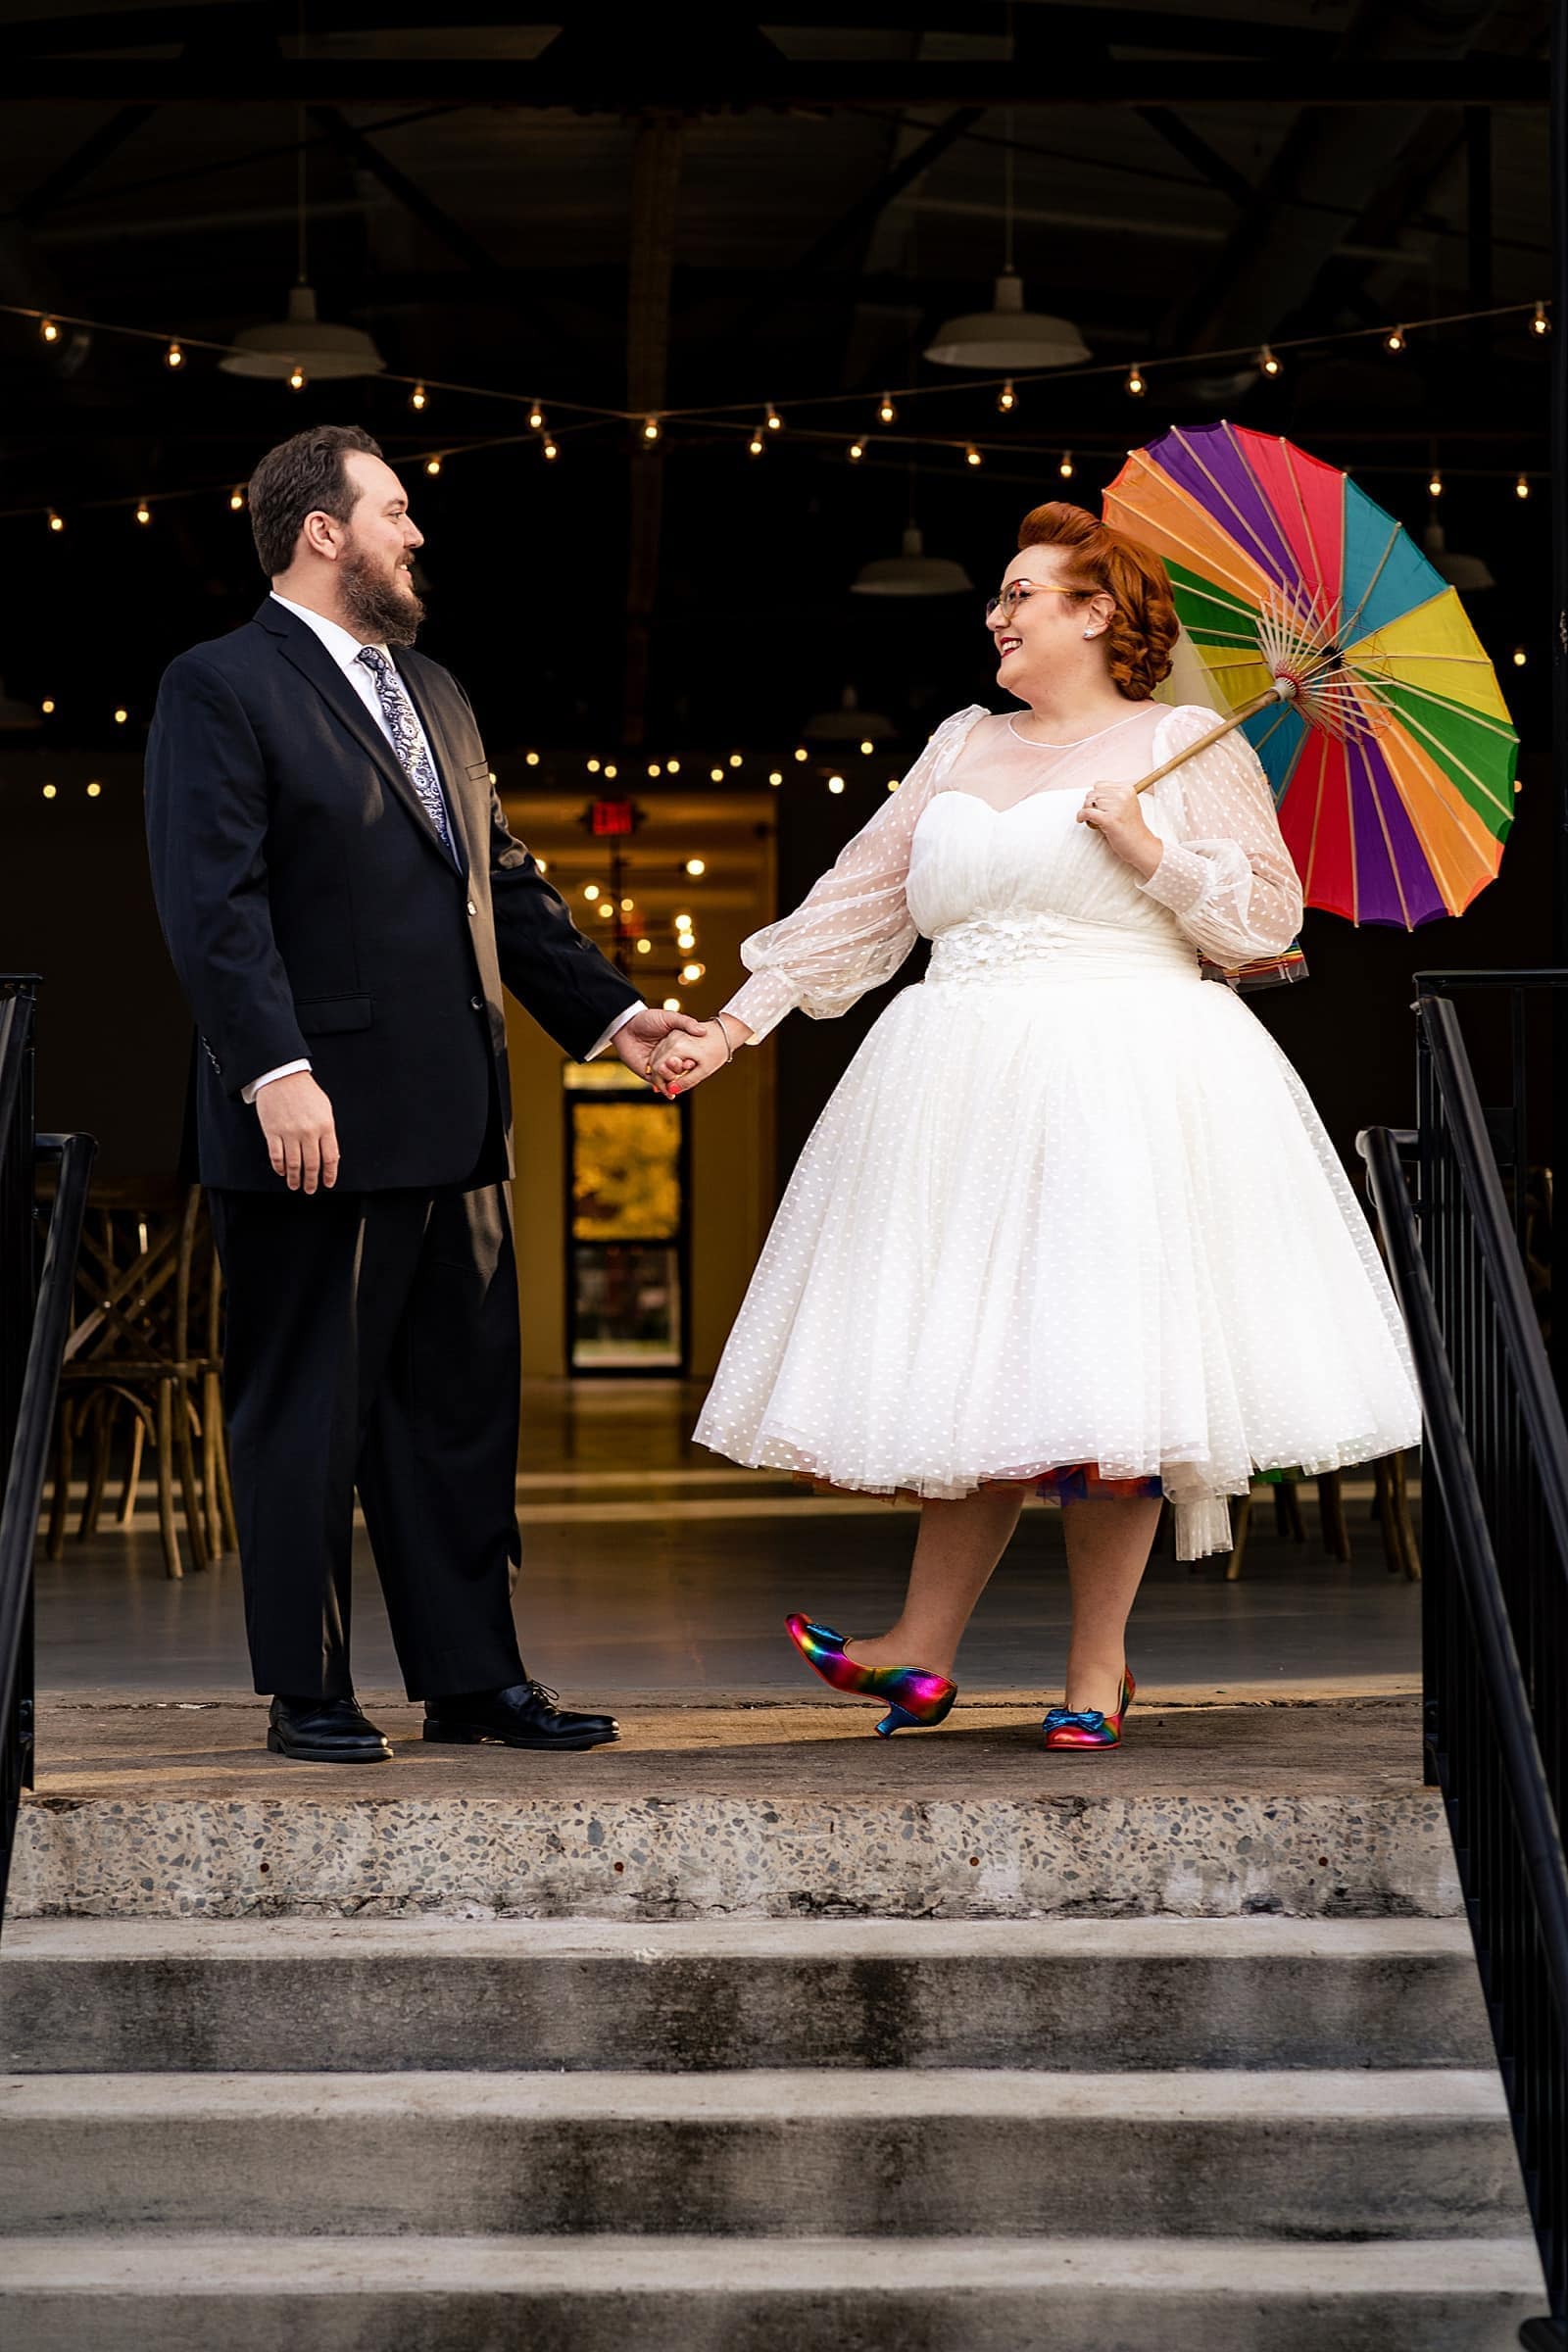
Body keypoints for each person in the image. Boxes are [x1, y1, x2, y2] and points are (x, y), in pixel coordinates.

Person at [652, 503, 1420, 1750]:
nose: (995, 615)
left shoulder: (1182, 741)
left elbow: (1262, 922)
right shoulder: (961, 741)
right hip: (959, 1081)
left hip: (1126, 1078)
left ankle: (1096, 1666)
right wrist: (733, 1026)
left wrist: (1148, 848)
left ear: (1096, 612)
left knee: (1103, 1373)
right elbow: (856, 901)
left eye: (1020, 593)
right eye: (999, 597)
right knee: (987, 1375)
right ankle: (920, 1650)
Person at [144, 424, 700, 1763]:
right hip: (311, 1126)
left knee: (456, 1417)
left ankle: (473, 1683)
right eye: (396, 510)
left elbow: (502, 886)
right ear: (322, 531)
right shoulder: (217, 686)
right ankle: (309, 1691)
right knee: (307, 1415)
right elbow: (213, 906)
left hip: (460, 1128)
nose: (417, 532)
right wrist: (275, 1071)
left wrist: (616, 1018)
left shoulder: (437, 690)